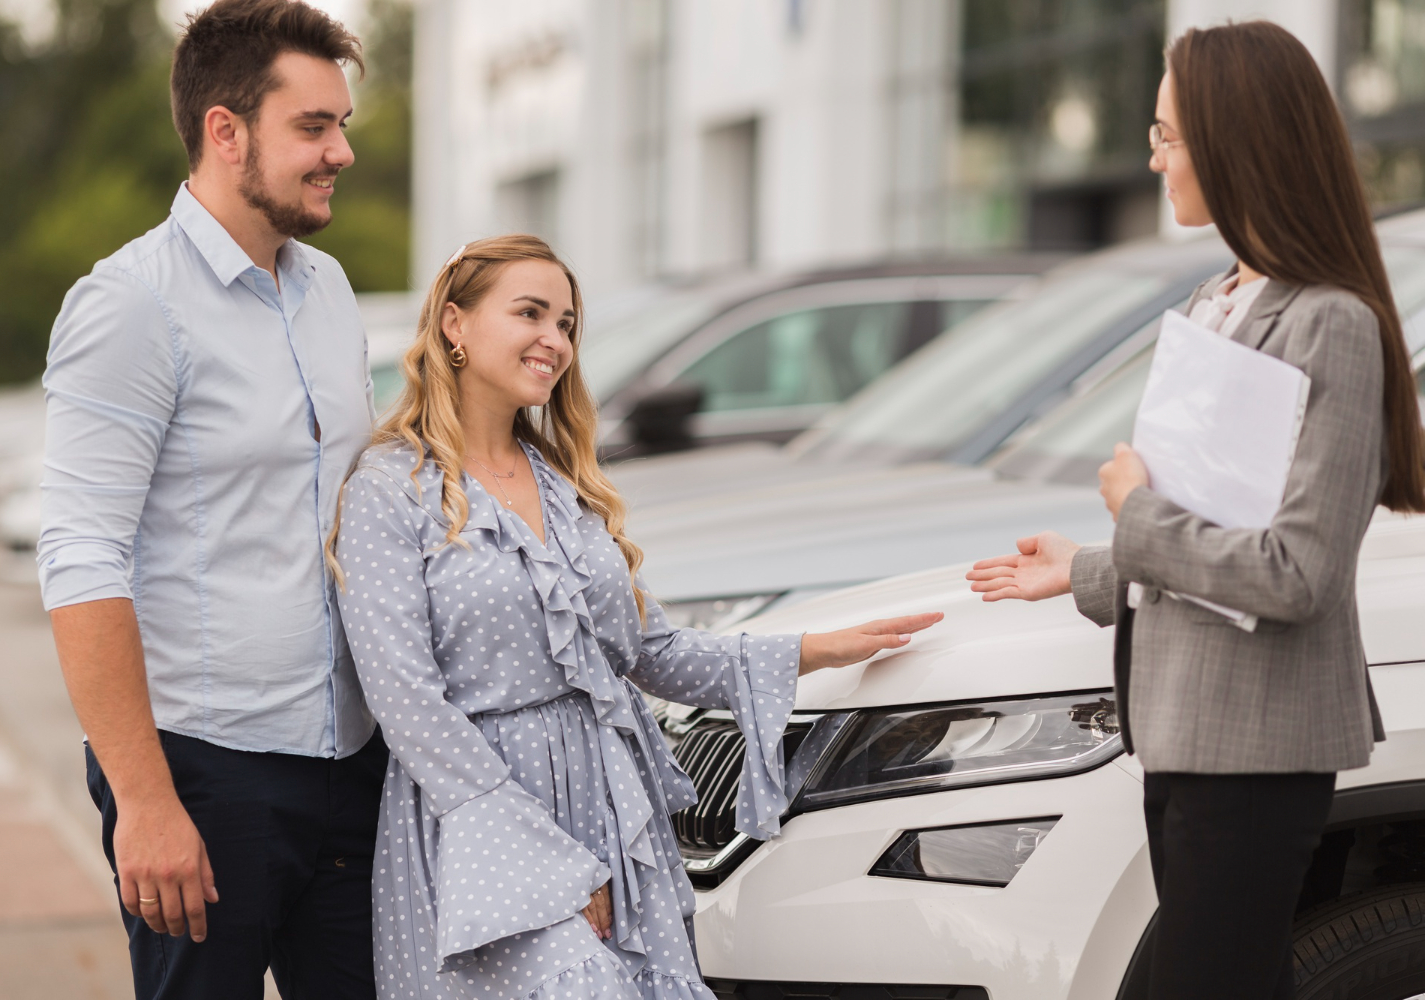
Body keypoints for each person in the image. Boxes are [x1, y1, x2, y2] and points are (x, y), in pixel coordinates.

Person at [329, 234, 942, 1000]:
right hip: (484, 820)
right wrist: (544, 861)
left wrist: (813, 650)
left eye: (567, 324)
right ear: (454, 324)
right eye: (531, 314)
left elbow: (646, 652)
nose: (554, 341)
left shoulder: (562, 483)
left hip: (609, 805)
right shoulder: (390, 490)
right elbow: (406, 701)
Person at [965, 20, 1425, 1000]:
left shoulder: (1329, 322)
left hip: (1256, 740)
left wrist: (1132, 519)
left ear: (1235, 140)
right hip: (1180, 725)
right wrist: (1089, 568)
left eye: (1168, 132)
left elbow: (1295, 572)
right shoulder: (1228, 299)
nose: (1152, 153)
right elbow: (1210, 519)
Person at [36, 0, 387, 995]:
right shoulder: (130, 305)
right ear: (225, 133)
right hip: (203, 769)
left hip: (351, 760)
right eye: (313, 127)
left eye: (343, 125)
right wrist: (144, 801)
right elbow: (79, 554)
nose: (340, 153)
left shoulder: (329, 291)